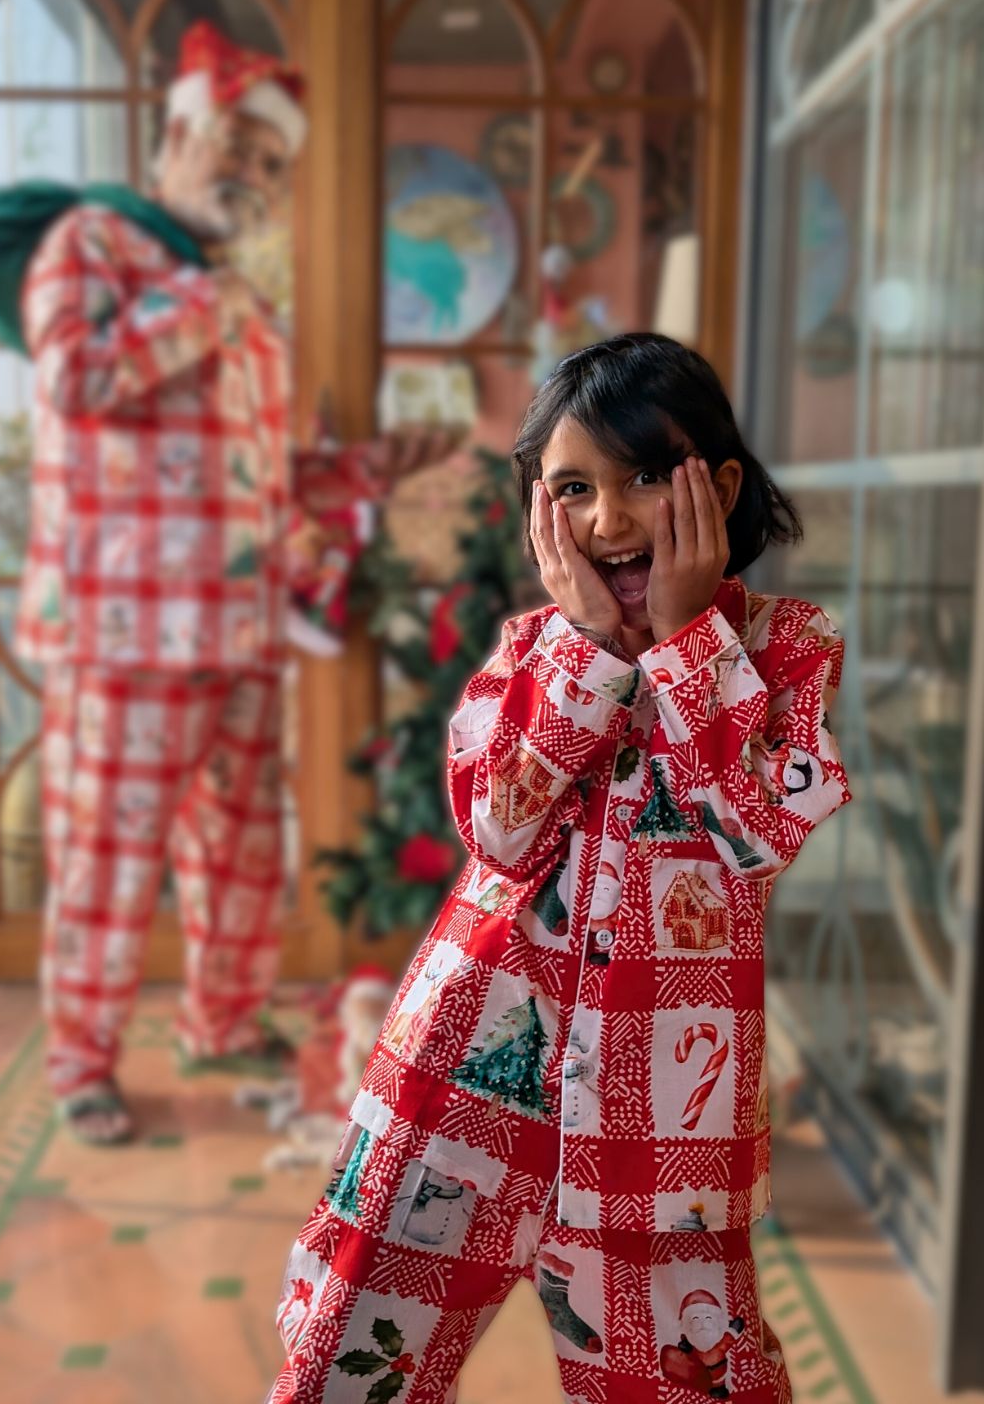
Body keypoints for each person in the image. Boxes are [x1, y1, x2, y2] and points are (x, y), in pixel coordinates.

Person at [267, 334, 851, 1403]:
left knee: (685, 1384)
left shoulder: (790, 648)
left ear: (717, 484)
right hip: (460, 1080)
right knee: (345, 1360)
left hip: (664, 1123)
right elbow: (497, 829)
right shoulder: (531, 653)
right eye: (573, 487)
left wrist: (680, 639)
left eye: (642, 476)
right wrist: (586, 643)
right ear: (540, 509)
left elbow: (761, 833)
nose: (610, 521)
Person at [0, 22, 453, 1147]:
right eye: (235, 146)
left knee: (241, 852)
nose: (254, 175)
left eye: (272, 162)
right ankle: (82, 1062)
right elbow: (74, 378)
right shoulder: (89, 245)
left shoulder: (241, 308)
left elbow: (267, 482)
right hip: (124, 629)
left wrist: (375, 468)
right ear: (171, 135)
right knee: (107, 862)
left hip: (240, 624)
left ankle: (221, 1021)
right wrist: (202, 306)